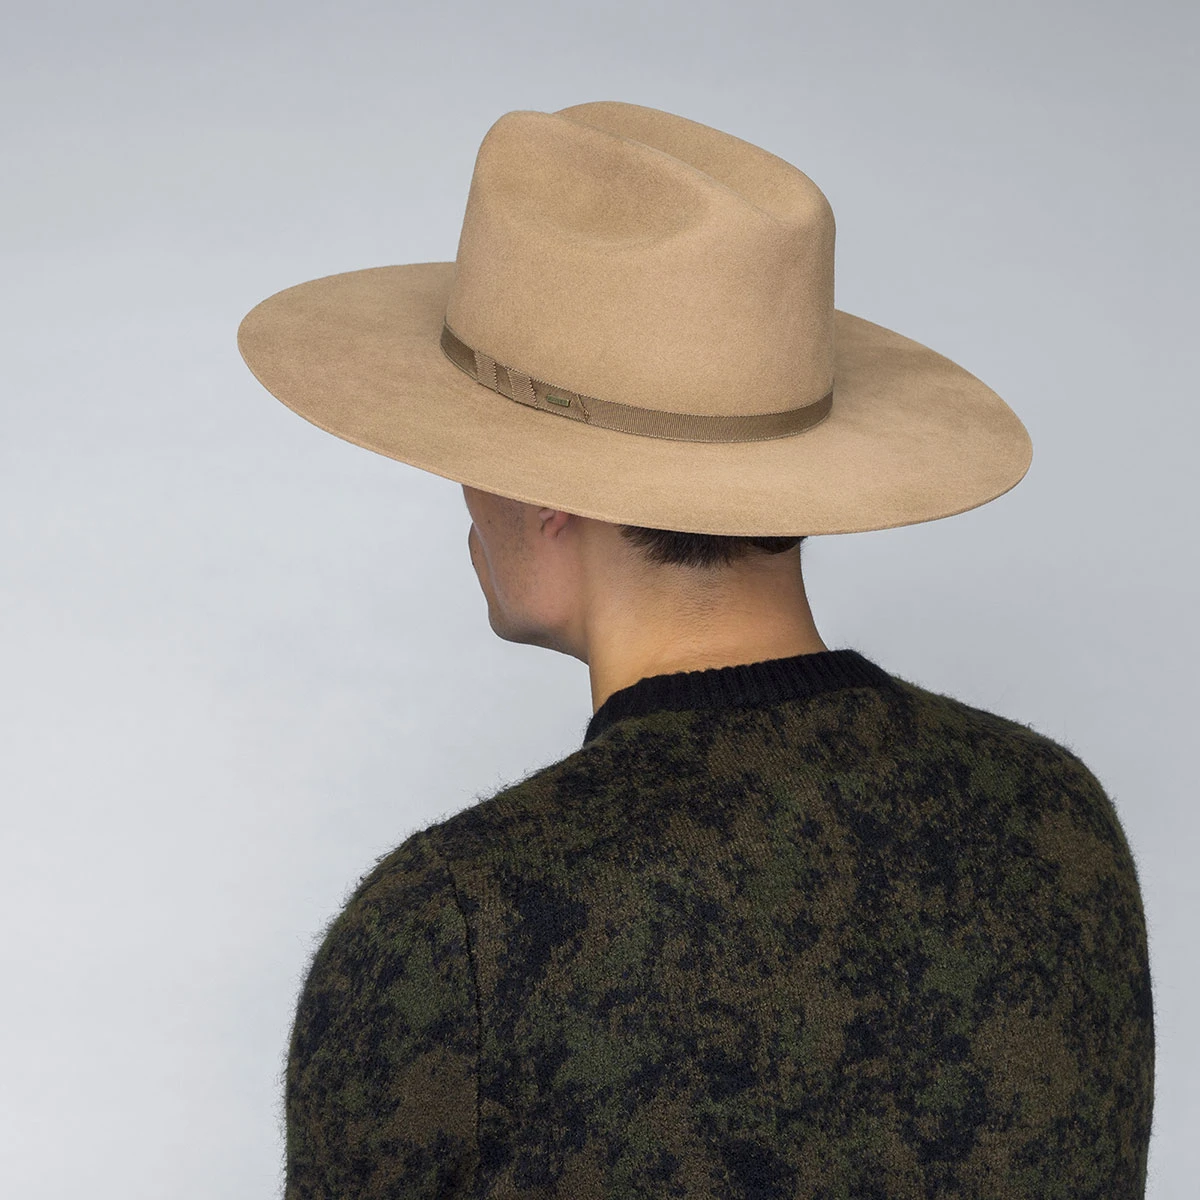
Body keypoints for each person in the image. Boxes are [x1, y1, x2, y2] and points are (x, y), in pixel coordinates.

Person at [238, 101, 1154, 1199]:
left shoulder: (454, 930)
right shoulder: (1056, 820)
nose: (461, 494)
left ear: (547, 487)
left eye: (467, 445)